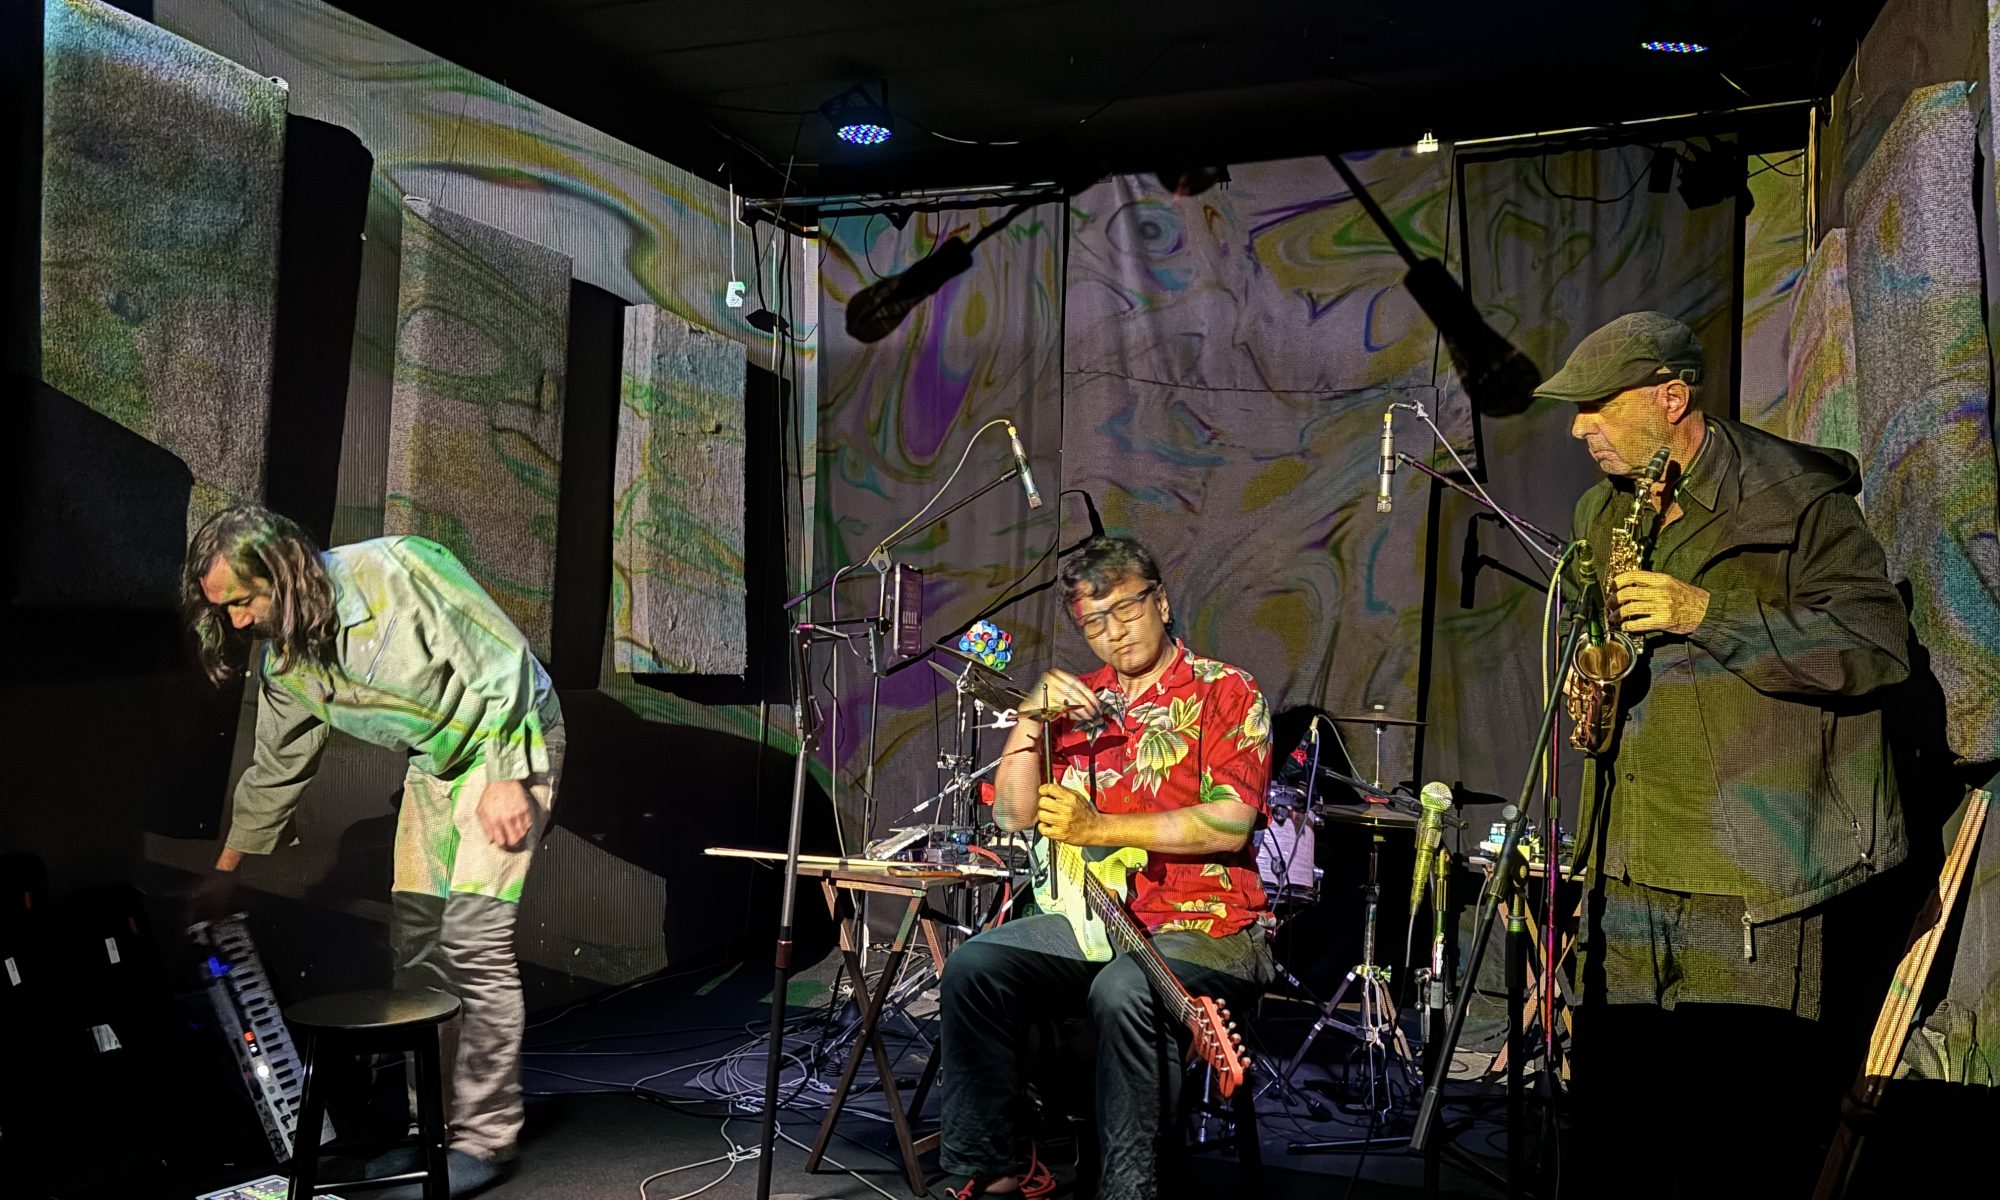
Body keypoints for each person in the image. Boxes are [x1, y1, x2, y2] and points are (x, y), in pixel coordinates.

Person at [1541, 313, 1910, 1196]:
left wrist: (1707, 614)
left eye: (1597, 406)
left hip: (1748, 877)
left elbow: (1877, 647)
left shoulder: (1799, 500)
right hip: (1627, 864)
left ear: (1672, 398)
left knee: (1734, 1141)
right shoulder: (1602, 510)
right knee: (1615, 1138)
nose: (1579, 428)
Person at [185, 507, 563, 1198]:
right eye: (224, 609)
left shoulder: (397, 568)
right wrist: (225, 874)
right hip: (436, 764)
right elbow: (275, 771)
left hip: (512, 736)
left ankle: (485, 1138)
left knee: (473, 939)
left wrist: (509, 775)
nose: (237, 622)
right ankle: (435, 1133)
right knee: (417, 951)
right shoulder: (286, 664)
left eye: (243, 600)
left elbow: (500, 657)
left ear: (284, 571)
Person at [938, 537, 1275, 1200]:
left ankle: (1128, 1191)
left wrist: (1099, 828)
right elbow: (1013, 814)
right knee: (974, 967)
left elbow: (1231, 822)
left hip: (1205, 924)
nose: (1114, 632)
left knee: (1123, 988)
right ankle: (996, 1168)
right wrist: (1031, 718)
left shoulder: (1226, 691)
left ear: (1162, 603)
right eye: (1095, 622)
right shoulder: (1077, 701)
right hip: (1093, 922)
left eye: (1126, 609)